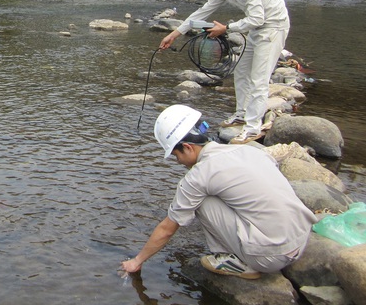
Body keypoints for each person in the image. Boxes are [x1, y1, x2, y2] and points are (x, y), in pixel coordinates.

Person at [120, 104, 316, 280]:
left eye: (175, 155)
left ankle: (233, 261)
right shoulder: (250, 151)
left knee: (200, 202)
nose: (178, 161)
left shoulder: (199, 175)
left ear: (187, 147)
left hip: (271, 257)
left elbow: (167, 229)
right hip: (302, 238)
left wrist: (136, 261)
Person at [159, 0, 290, 144]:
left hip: (273, 27)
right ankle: (242, 114)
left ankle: (253, 128)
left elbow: (257, 17)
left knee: (258, 80)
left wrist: (227, 29)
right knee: (241, 71)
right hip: (256, 29)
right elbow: (202, 12)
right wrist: (174, 34)